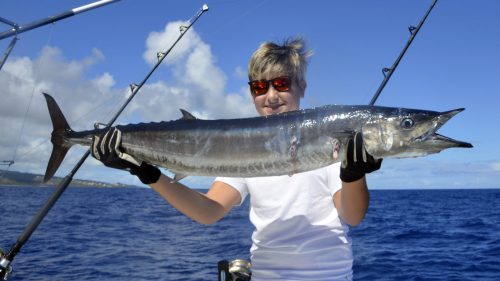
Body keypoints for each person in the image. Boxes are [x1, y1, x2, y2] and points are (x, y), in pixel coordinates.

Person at [91, 37, 381, 281]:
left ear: (301, 87)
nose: (270, 95)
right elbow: (209, 211)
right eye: (259, 87)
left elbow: (352, 215)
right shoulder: (244, 147)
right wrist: (147, 174)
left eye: (280, 84)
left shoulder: (331, 138)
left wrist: (353, 175)